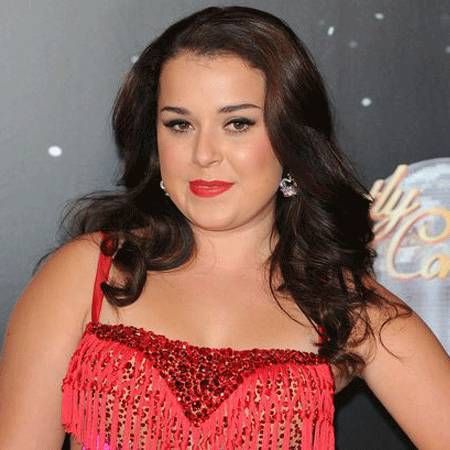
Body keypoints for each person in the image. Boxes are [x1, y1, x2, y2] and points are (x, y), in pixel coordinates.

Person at [0, 5, 449, 450]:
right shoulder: (87, 274)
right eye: (179, 124)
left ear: (290, 138)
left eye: (237, 123)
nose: (203, 153)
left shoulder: (348, 309)